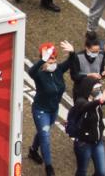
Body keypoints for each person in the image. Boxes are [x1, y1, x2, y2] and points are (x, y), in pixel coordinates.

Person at [28, 43, 67, 173]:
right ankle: (49, 167)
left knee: (42, 132)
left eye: (54, 58)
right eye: (50, 58)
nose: (53, 61)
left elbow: (72, 62)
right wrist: (43, 60)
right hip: (40, 110)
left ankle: (33, 151)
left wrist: (72, 53)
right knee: (45, 137)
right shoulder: (39, 73)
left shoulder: (58, 70)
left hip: (53, 110)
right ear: (43, 58)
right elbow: (31, 72)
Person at [69, 80, 105, 176]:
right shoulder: (81, 102)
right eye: (96, 89)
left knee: (101, 172)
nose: (98, 91)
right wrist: (99, 101)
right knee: (82, 171)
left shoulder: (97, 101)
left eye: (99, 88)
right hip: (84, 143)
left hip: (97, 142)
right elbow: (87, 106)